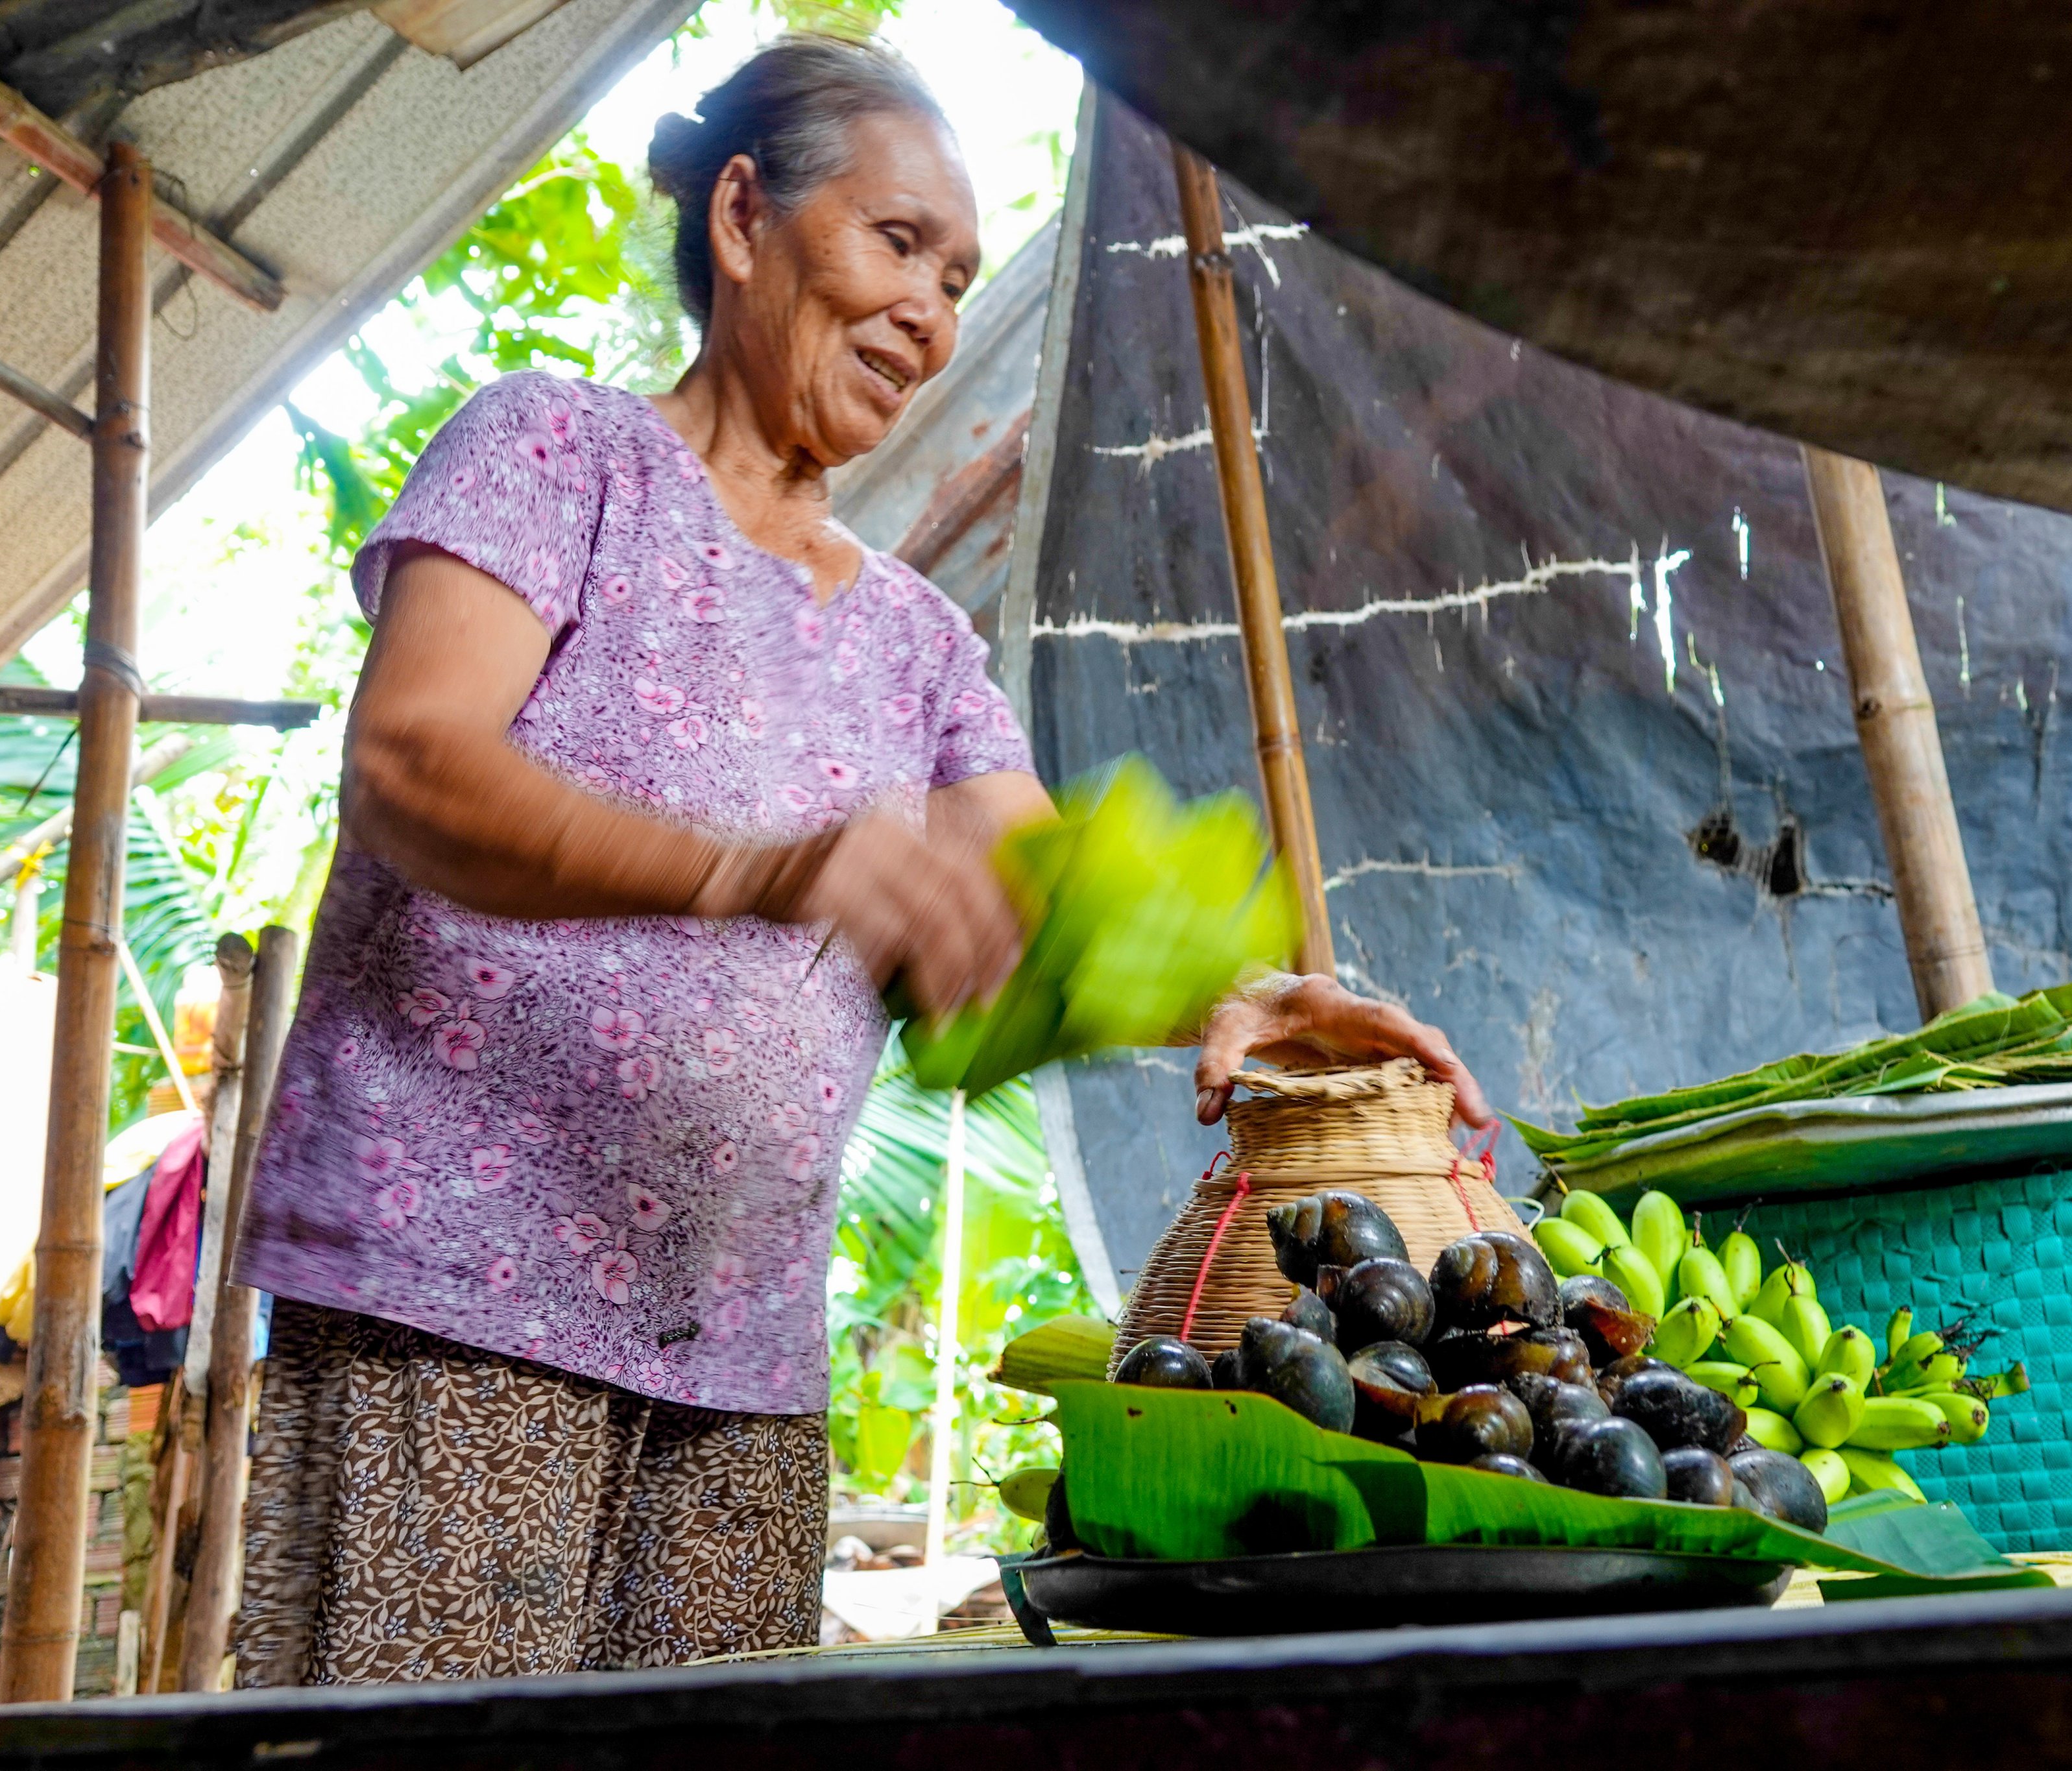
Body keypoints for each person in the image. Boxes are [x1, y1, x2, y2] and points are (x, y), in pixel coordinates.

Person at [226, 34, 1492, 1687]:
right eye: (899, 244)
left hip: (740, 1358)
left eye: (960, 277)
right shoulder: (557, 454)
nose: (933, 314)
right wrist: (758, 872)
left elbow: (1041, 925)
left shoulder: (907, 640)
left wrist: (1256, 1004)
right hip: (459, 1306)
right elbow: (410, 765)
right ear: (744, 216)